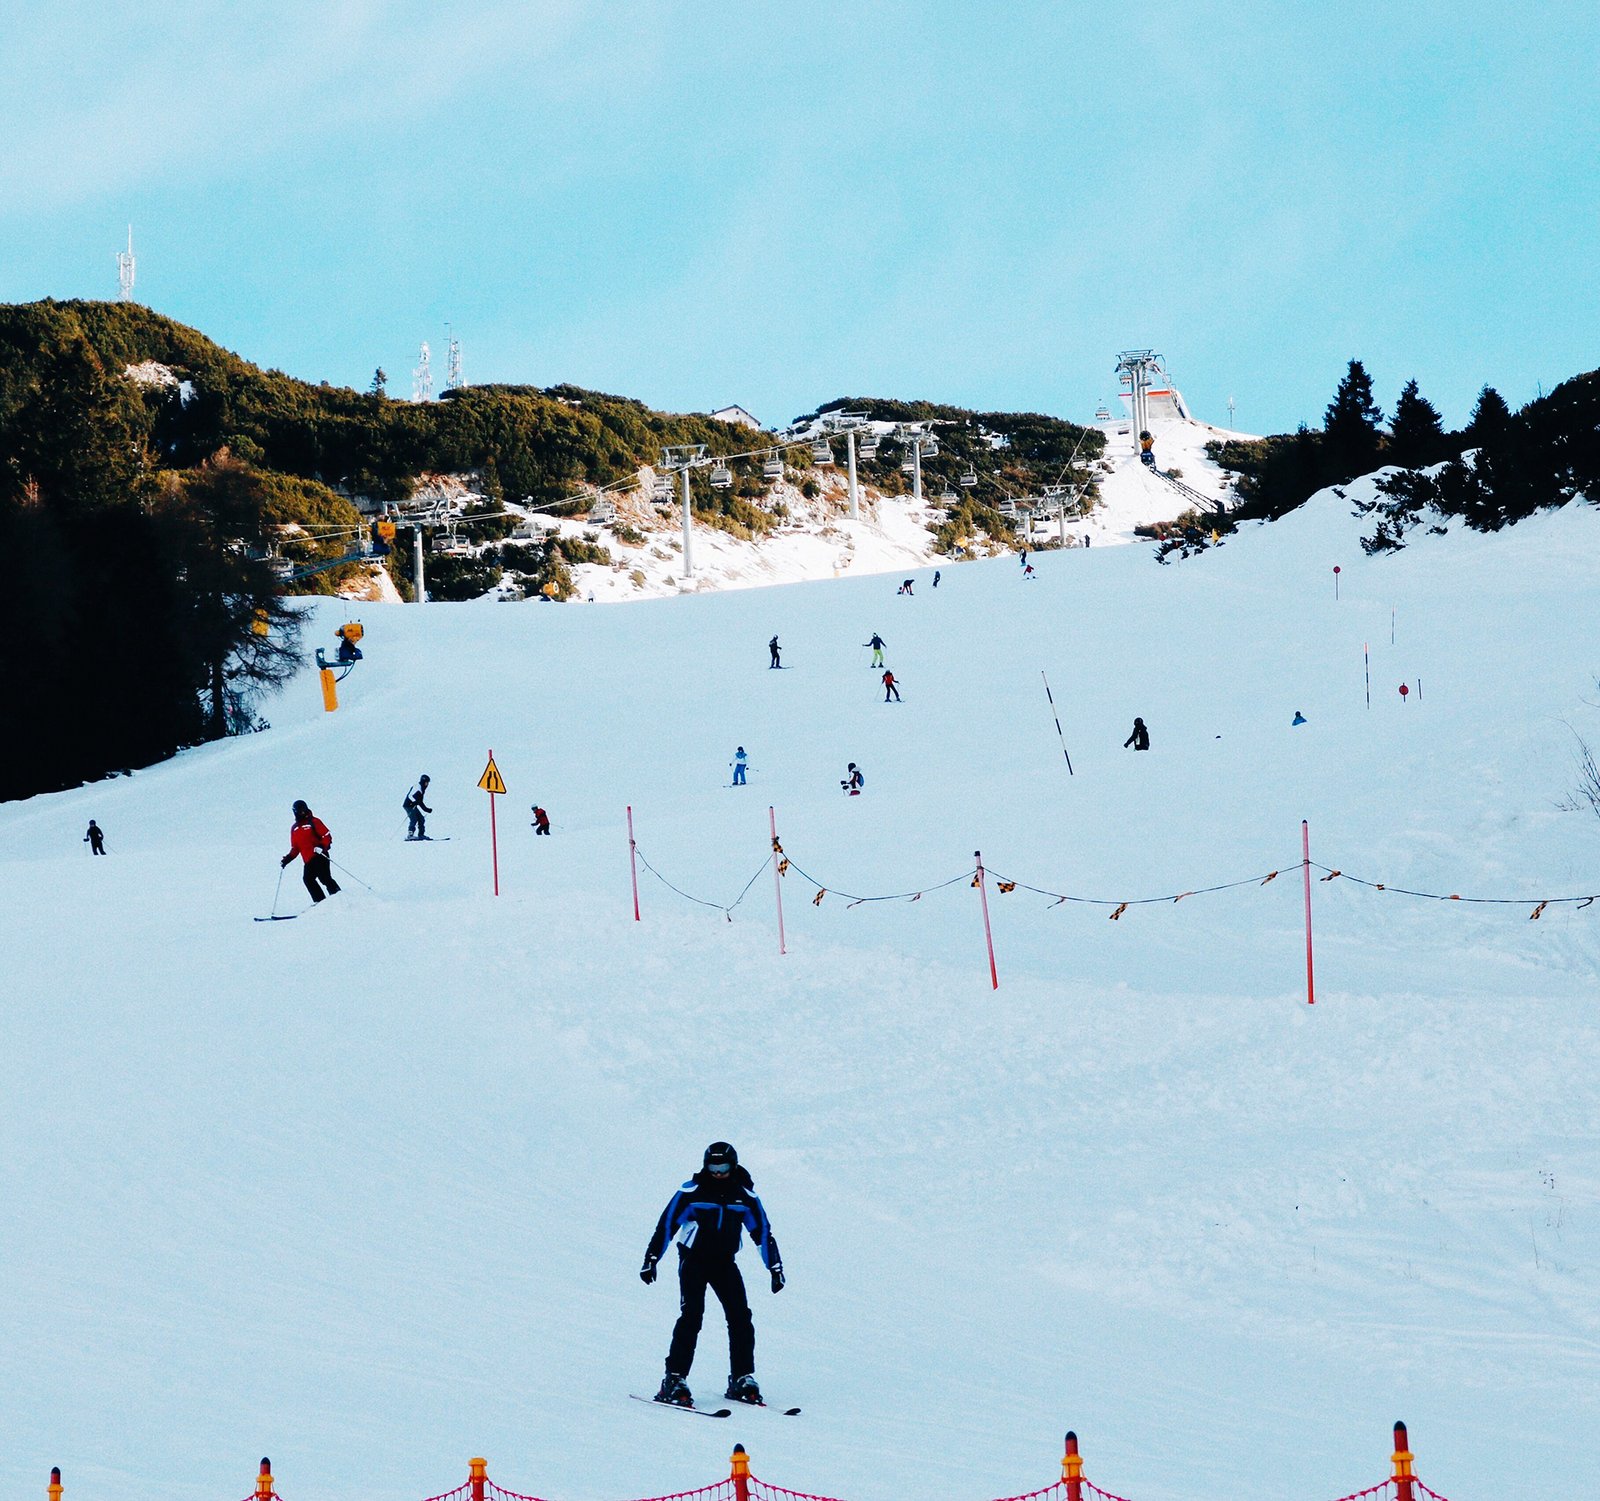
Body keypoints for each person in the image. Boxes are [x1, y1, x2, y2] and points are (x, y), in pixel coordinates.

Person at [641, 1141, 784, 1409]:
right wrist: (651, 1258)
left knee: (740, 1316)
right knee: (692, 1315)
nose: (718, 1173)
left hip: (724, 1262)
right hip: (693, 1260)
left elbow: (762, 1233)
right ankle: (674, 1379)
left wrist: (775, 1268)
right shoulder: (692, 1192)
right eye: (713, 1167)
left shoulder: (745, 1197)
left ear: (733, 1165)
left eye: (723, 1167)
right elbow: (667, 1224)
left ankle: (742, 1377)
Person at [281, 800, 340, 902]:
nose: (302, 813)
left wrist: (321, 846)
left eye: (303, 810)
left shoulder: (314, 822)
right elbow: (296, 848)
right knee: (308, 879)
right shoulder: (295, 828)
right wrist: (288, 859)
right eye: (299, 811)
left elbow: (327, 836)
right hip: (308, 860)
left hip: (319, 855)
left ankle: (339, 897)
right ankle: (321, 902)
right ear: (295, 812)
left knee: (324, 878)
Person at [403, 775, 432, 840]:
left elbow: (420, 801)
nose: (427, 784)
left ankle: (421, 834)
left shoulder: (422, 789)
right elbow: (410, 795)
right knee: (414, 819)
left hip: (412, 805)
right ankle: (410, 835)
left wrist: (426, 809)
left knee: (421, 819)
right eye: (426, 782)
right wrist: (414, 801)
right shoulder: (417, 787)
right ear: (423, 781)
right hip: (408, 805)